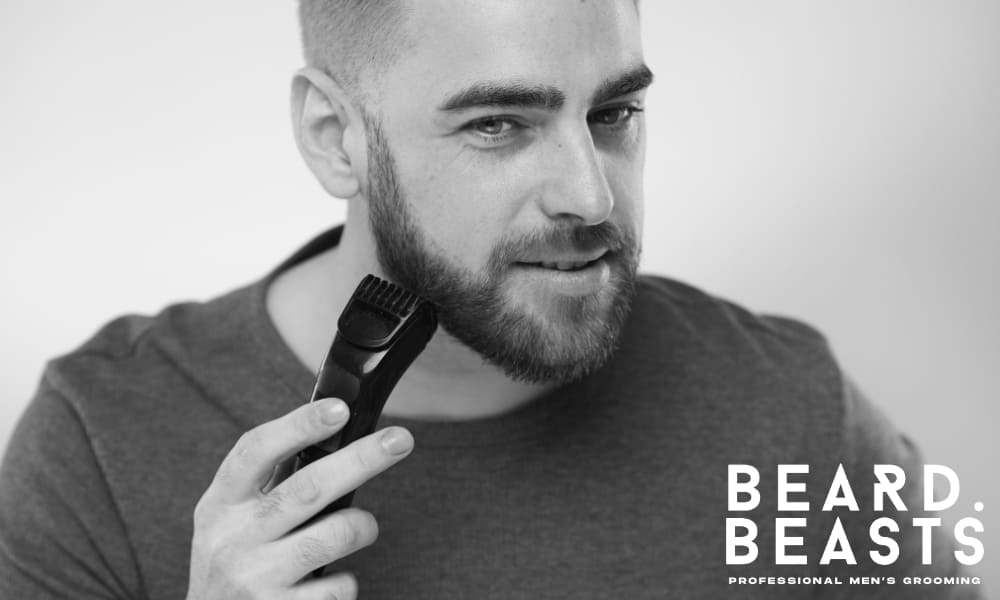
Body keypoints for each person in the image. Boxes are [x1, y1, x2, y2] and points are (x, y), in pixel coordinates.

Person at [0, 1, 983, 599]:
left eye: (614, 114)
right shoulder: (101, 437)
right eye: (499, 124)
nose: (590, 197)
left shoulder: (792, 406)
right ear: (334, 138)